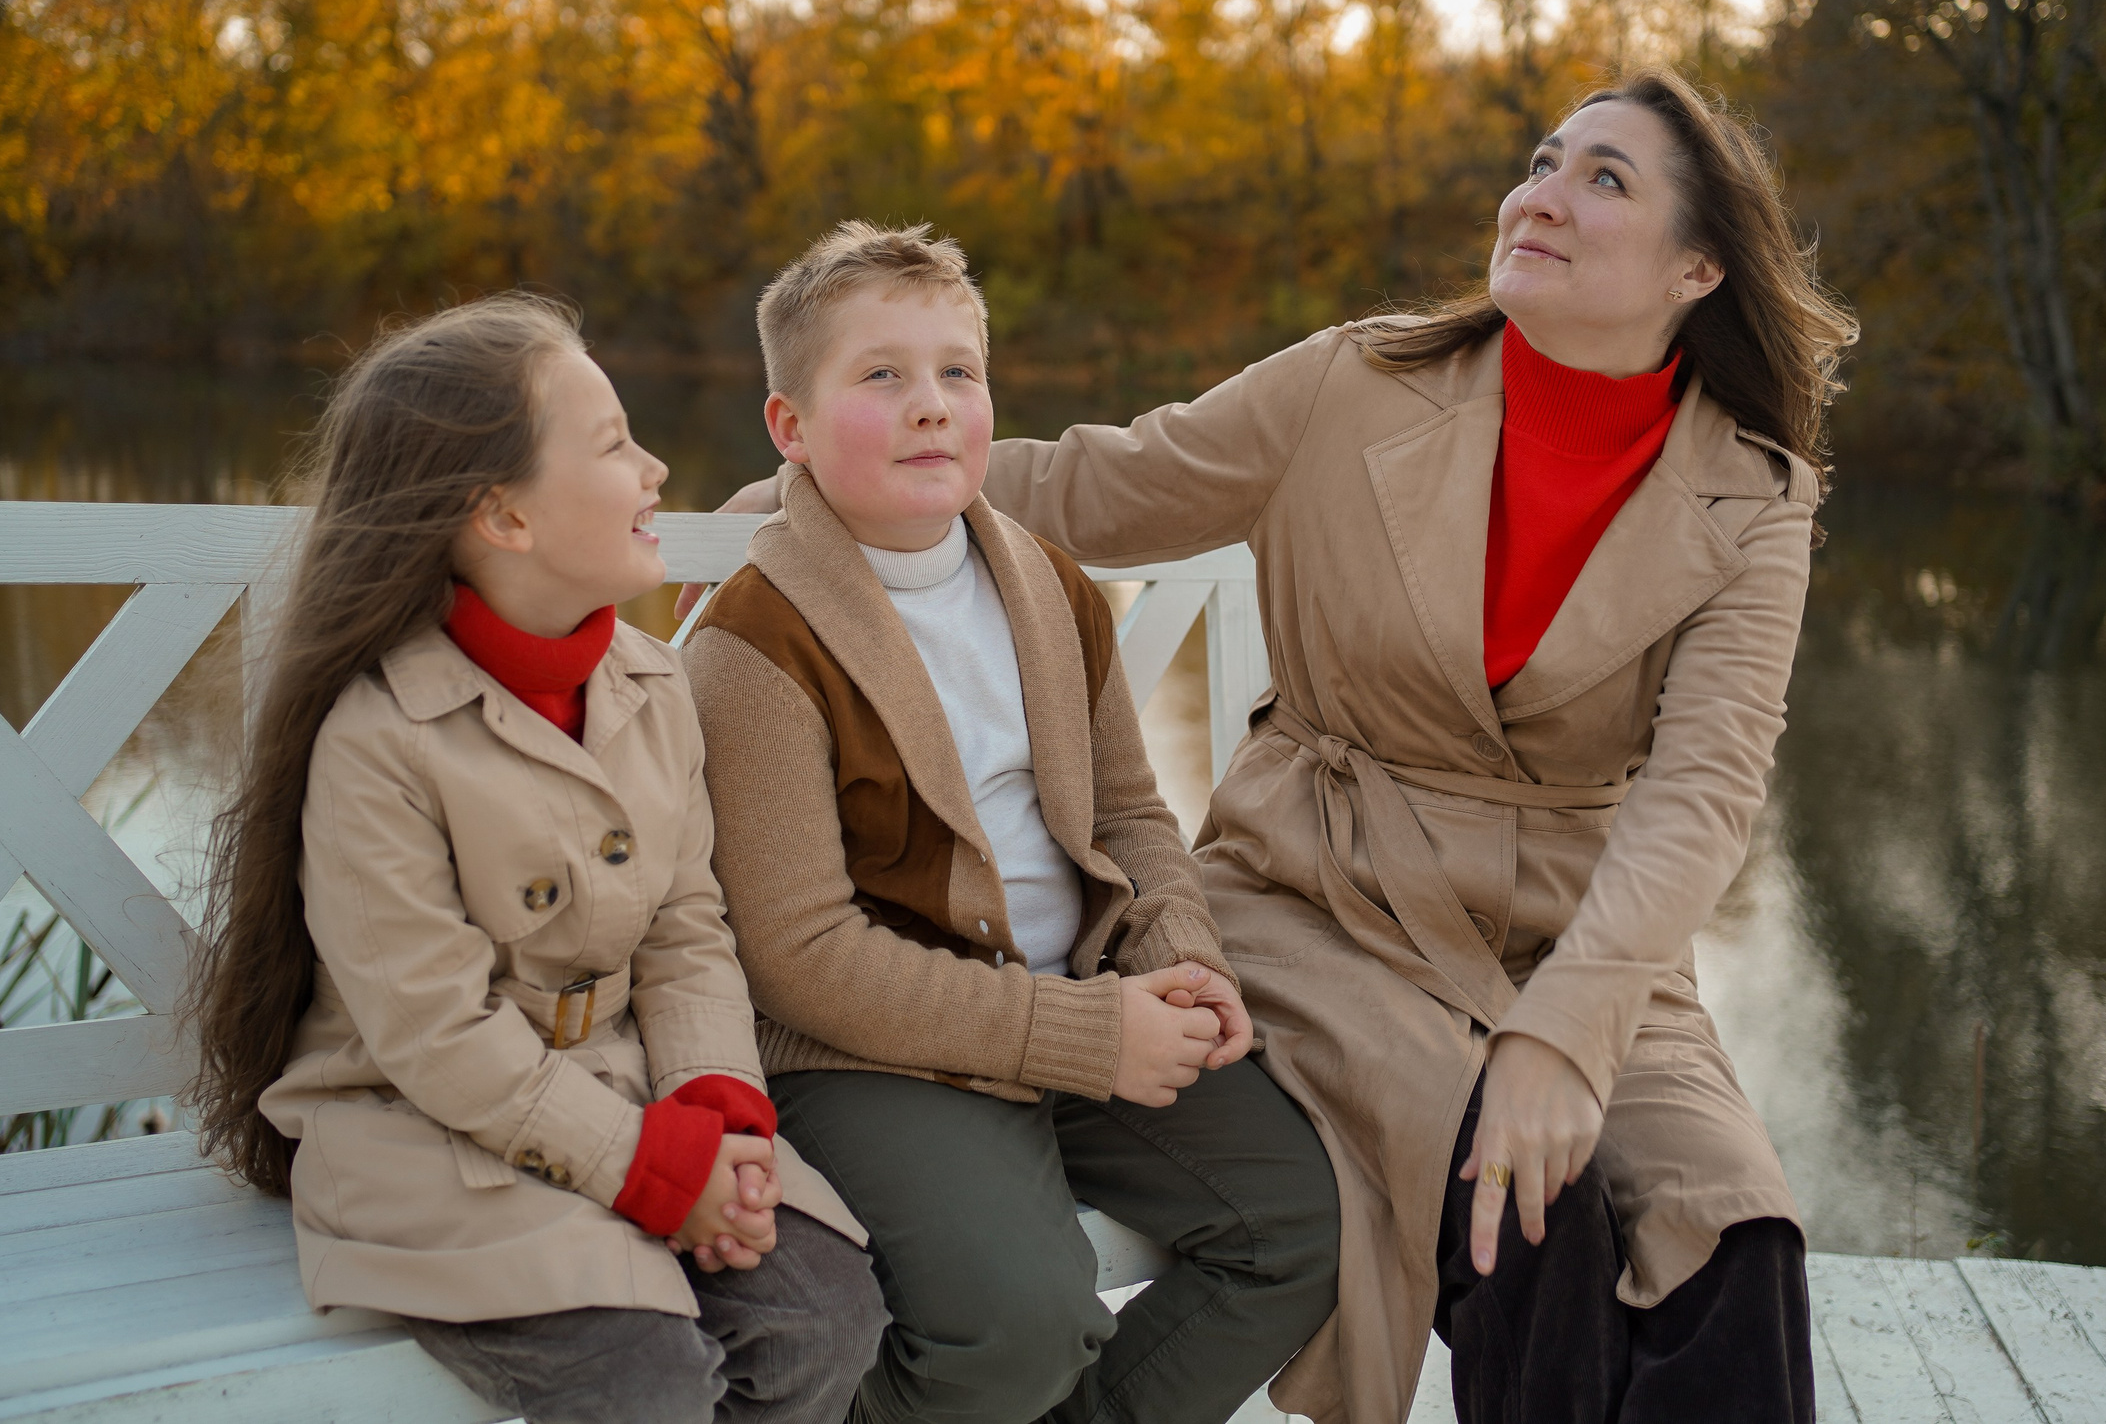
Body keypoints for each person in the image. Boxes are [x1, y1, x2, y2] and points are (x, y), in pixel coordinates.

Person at [691, 69, 1855, 1422]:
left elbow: (1704, 788)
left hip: (1580, 931)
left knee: (1735, 1231)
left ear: (1699, 264)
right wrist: (823, 478)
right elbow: (1093, 483)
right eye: (1543, 159)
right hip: (1328, 897)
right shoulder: (1360, 380)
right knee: (1518, 1196)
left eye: (1605, 178)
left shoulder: (1754, 493)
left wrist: (1567, 1030)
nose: (1541, 192)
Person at [679, 223, 1342, 1424]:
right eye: (880, 376)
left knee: (1297, 1227)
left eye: (957, 372)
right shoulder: (755, 642)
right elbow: (801, 958)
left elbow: (1131, 812)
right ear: (791, 429)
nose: (930, 405)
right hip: (875, 1049)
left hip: (1085, 997)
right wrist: (1085, 1036)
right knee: (1017, 1325)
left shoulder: (1047, 583)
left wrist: (1177, 959)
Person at [185, 294, 888, 1424]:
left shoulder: (654, 687)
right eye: (614, 444)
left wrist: (718, 1114)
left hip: (635, 1091)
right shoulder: (381, 738)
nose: (657, 469)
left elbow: (685, 929)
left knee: (825, 1315)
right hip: (426, 1128)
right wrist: (649, 1169)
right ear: (502, 516)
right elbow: (436, 1035)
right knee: (643, 1381)